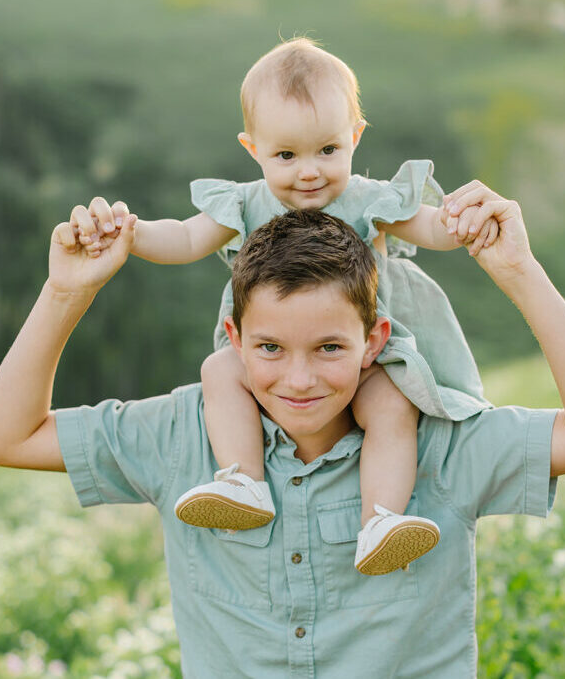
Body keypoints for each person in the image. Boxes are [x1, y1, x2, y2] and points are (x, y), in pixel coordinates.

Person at [0, 182, 565, 677]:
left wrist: (517, 271)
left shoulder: (438, 438)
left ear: (373, 341)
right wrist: (66, 292)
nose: (299, 379)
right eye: (270, 348)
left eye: (329, 347)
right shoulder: (182, 433)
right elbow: (7, 436)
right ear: (234, 339)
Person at [79, 37, 500, 574]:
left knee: (391, 408)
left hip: (367, 350)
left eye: (328, 151)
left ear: (354, 137)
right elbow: (185, 240)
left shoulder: (369, 197)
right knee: (219, 371)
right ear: (253, 149)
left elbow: (429, 228)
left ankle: (382, 519)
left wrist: (462, 221)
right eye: (286, 156)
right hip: (276, 352)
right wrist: (131, 235)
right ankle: (243, 481)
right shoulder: (247, 202)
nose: (309, 172)